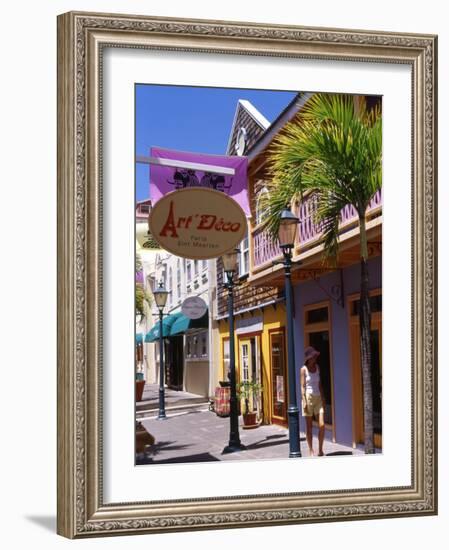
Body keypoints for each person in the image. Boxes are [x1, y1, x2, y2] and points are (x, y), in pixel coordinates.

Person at [300, 346, 326, 456]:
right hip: (308, 398)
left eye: (315, 356)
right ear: (308, 358)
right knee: (309, 427)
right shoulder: (303, 369)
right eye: (313, 356)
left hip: (318, 398)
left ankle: (320, 449)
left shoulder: (318, 367)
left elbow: (319, 384)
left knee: (322, 425)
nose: (315, 358)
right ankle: (311, 450)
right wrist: (304, 400)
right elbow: (302, 386)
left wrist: (323, 397)